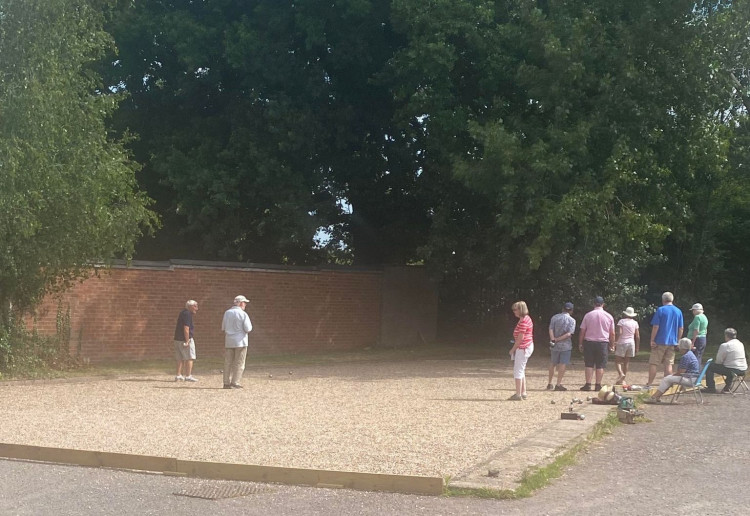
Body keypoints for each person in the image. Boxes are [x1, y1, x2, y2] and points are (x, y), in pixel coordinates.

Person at [646, 292, 684, 387]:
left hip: (660, 340)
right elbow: (681, 328)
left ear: (663, 300)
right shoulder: (678, 311)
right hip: (672, 341)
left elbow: (656, 326)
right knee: (669, 364)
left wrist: (652, 340)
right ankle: (667, 384)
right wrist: (678, 340)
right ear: (672, 299)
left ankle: (649, 383)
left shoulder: (661, 310)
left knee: (654, 363)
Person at [578, 296, 615, 392]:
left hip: (589, 342)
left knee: (589, 364)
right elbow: (612, 333)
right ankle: (598, 385)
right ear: (603, 304)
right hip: (603, 342)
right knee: (600, 365)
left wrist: (580, 343)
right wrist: (612, 344)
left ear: (594, 304)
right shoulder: (609, 316)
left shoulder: (588, 315)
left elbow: (582, 331)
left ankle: (588, 384)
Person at [646, 338, 700, 403]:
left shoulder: (685, 357)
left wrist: (673, 375)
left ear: (682, 347)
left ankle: (654, 397)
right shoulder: (690, 354)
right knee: (668, 379)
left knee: (666, 379)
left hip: (689, 379)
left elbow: (681, 372)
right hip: (693, 378)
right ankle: (656, 397)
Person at [702, 328, 747, 394]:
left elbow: (719, 361)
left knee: (709, 366)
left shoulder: (725, 345)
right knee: (729, 366)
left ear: (726, 335)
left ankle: (711, 388)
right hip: (743, 370)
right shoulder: (740, 344)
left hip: (732, 370)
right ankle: (727, 387)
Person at [221, 295, 253, 389]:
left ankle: (226, 382)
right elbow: (248, 328)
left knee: (228, 362)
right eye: (245, 303)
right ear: (241, 303)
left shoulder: (227, 313)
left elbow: (223, 327)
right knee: (239, 362)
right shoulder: (243, 314)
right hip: (240, 341)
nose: (245, 305)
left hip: (229, 341)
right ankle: (235, 382)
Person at [547, 302, 576, 391]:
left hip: (554, 345)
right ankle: (558, 384)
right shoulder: (572, 320)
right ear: (571, 310)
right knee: (562, 364)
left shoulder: (555, 317)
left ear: (562, 309)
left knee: (553, 363)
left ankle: (549, 383)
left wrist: (553, 339)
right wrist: (558, 339)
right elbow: (568, 334)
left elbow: (551, 328)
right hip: (565, 345)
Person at [508, 301, 534, 401]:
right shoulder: (525, 319)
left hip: (523, 347)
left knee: (517, 370)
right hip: (526, 346)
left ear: (521, 309)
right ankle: (523, 392)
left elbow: (520, 339)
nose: (514, 311)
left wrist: (512, 349)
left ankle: (518, 394)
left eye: (515, 309)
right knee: (521, 369)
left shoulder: (523, 321)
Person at [173, 300, 199, 382]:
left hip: (177, 339)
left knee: (179, 358)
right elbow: (186, 328)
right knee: (189, 357)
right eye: (195, 306)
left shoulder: (182, 313)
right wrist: (187, 341)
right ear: (190, 306)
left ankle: (178, 375)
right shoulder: (188, 314)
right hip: (184, 339)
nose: (197, 308)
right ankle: (188, 376)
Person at [614, 307, 640, 385]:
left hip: (622, 342)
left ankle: (621, 374)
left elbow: (620, 333)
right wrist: (637, 346)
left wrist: (616, 341)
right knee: (626, 362)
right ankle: (623, 379)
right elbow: (637, 336)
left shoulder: (621, 321)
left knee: (618, 361)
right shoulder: (635, 323)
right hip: (631, 343)